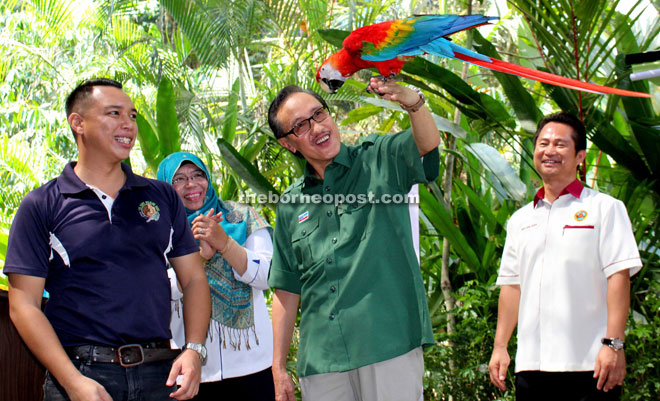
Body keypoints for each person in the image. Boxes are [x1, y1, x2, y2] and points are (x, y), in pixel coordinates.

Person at [5, 78, 211, 401]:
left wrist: (195, 350)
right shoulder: (43, 204)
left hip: (161, 375)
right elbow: (23, 305)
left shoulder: (161, 197)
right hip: (81, 375)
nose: (128, 124)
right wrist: (71, 381)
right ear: (78, 123)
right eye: (114, 113)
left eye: (132, 115)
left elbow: (195, 278)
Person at [267, 78, 441, 401]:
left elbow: (427, 146)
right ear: (288, 144)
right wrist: (278, 368)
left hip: (387, 344)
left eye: (319, 114)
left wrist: (413, 102)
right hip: (322, 361)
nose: (317, 127)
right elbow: (286, 289)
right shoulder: (291, 204)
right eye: (301, 126)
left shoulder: (378, 158)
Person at [488, 112, 642, 400]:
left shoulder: (605, 209)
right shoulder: (520, 220)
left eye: (560, 144)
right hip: (531, 367)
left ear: (579, 155)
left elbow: (619, 278)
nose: (549, 151)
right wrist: (500, 347)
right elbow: (511, 286)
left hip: (591, 365)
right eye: (543, 143)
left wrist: (614, 345)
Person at [157, 152, 275, 400]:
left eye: (198, 175)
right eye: (179, 179)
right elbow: (155, 290)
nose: (191, 184)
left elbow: (268, 275)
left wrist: (225, 243)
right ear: (166, 186)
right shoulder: (159, 231)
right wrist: (199, 257)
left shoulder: (242, 217)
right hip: (189, 370)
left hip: (251, 362)